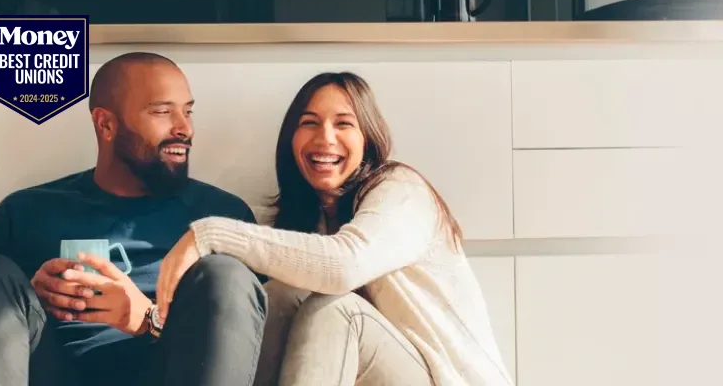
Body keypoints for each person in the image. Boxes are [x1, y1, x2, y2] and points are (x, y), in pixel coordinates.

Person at [156, 72, 515, 386]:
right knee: (279, 297)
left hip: (446, 379)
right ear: (291, 140)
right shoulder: (310, 223)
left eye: (343, 124)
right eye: (309, 123)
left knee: (335, 309)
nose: (325, 138)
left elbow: (344, 266)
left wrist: (210, 235)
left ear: (368, 139)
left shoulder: (401, 191)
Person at [0, 52, 269, 386]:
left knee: (227, 274)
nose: (184, 128)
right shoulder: (25, 212)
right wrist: (28, 298)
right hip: (54, 369)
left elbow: (246, 340)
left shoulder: (222, 216)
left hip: (172, 372)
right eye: (163, 112)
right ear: (106, 124)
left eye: (188, 111)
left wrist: (149, 319)